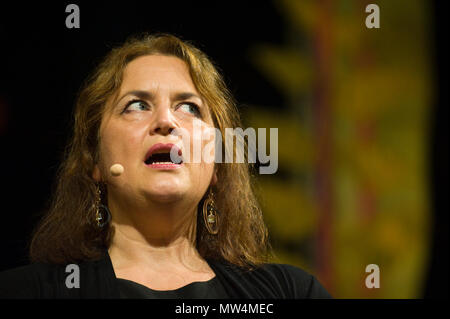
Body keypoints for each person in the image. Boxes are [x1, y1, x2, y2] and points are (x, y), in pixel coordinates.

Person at [0, 33, 331, 299]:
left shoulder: (290, 292)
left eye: (189, 107)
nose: (165, 121)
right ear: (95, 161)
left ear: (216, 166)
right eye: (137, 105)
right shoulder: (24, 291)